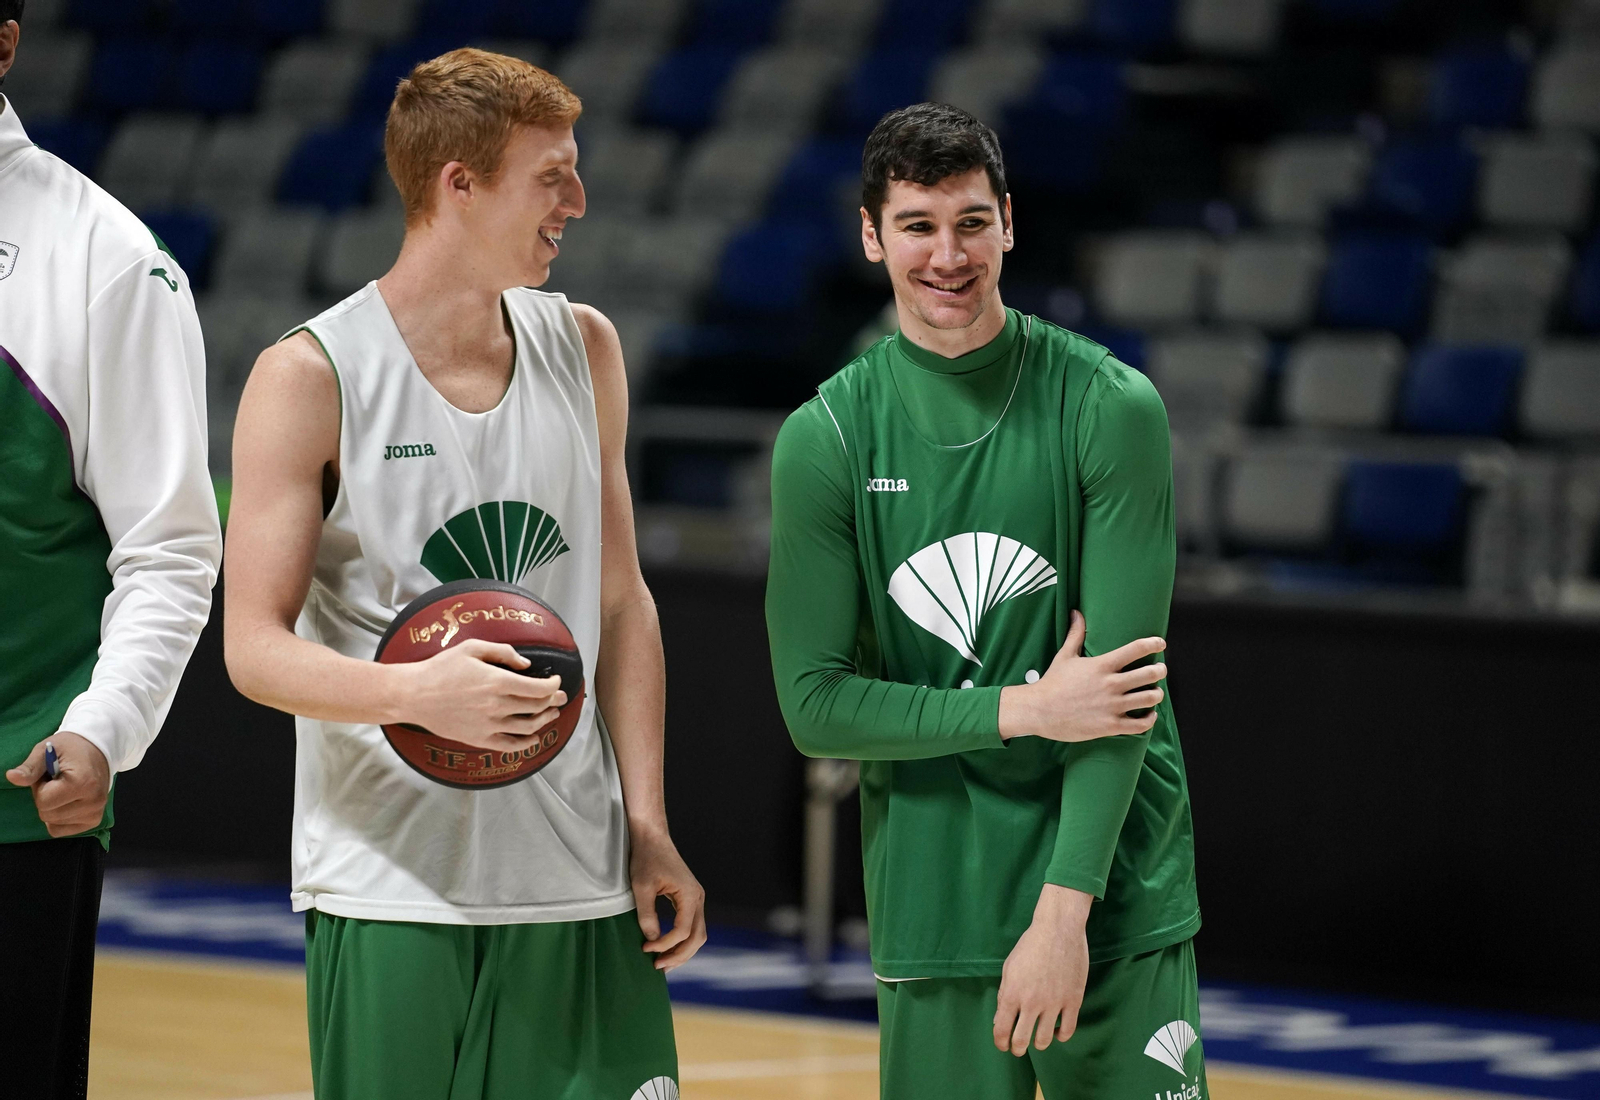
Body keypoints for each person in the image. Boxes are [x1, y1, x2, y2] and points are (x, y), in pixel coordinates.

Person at [223, 49, 703, 1100]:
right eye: (552, 177)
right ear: (460, 185)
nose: (577, 201)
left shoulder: (586, 346)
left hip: (580, 878)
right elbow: (252, 649)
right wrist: (415, 692)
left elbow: (622, 603)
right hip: (393, 885)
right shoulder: (309, 375)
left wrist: (647, 823)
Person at [766, 102, 1204, 1100]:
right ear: (872, 235)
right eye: (917, 225)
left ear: (1008, 221)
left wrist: (1063, 914)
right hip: (937, 897)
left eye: (971, 222)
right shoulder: (826, 437)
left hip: (1112, 897)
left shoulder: (1109, 405)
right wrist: (1027, 708)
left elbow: (1122, 695)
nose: (948, 255)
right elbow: (814, 705)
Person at [0, 3, 225, 1096]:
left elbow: (170, 548)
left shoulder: (106, 258)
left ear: (4, 43)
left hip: (12, 808)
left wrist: (104, 727)